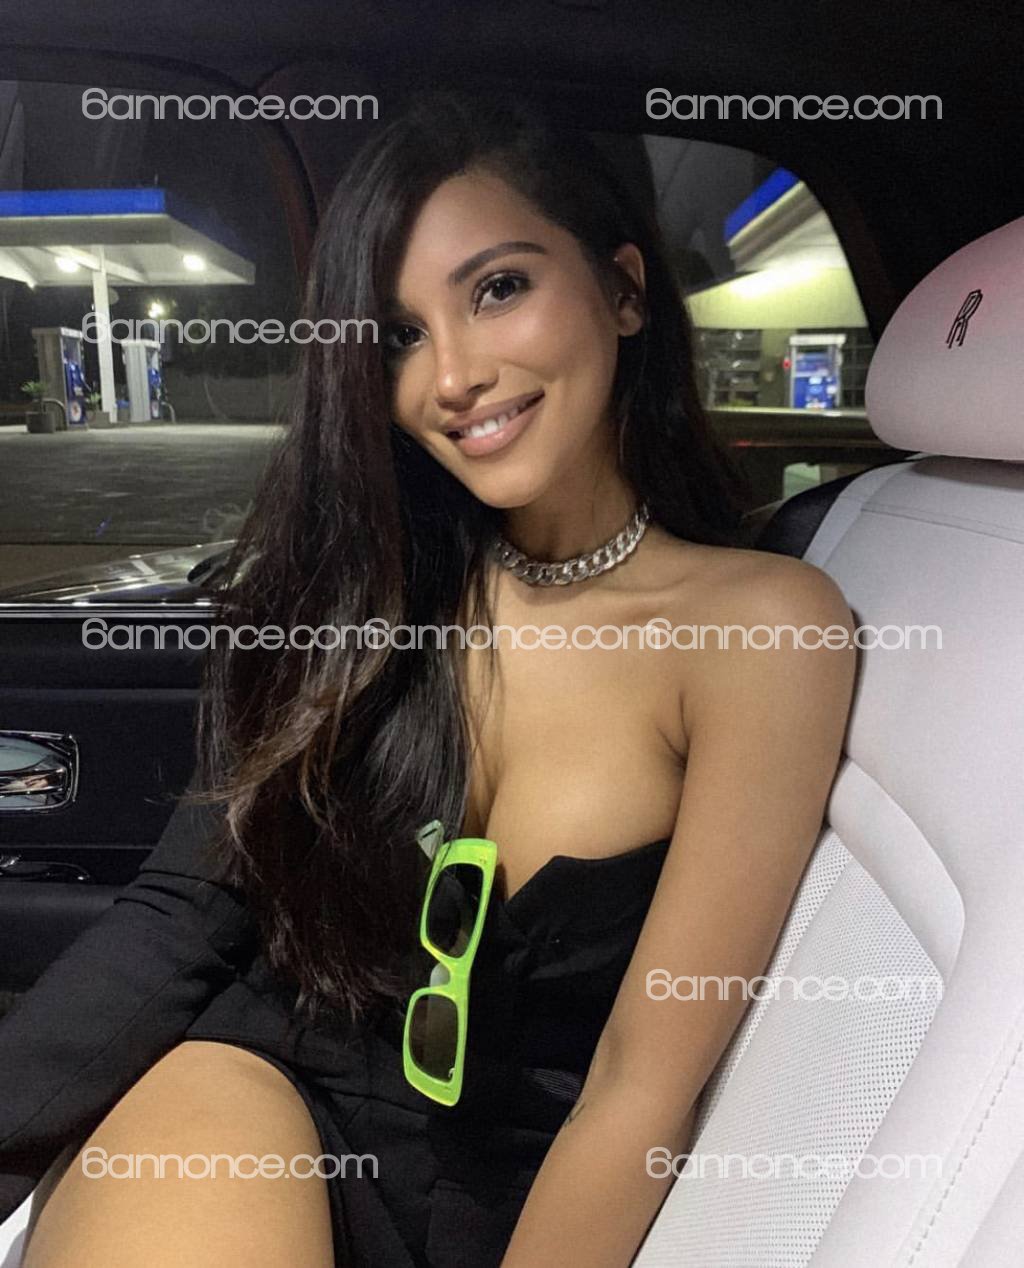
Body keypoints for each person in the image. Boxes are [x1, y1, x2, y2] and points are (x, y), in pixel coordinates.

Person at [5, 91, 856, 1267]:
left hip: (526, 1191)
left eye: (497, 288)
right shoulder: (359, 588)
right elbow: (186, 916)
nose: (452, 375)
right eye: (399, 334)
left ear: (622, 290)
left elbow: (638, 1087)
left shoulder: (760, 630)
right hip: (261, 1097)